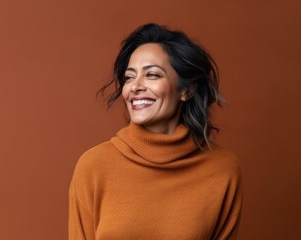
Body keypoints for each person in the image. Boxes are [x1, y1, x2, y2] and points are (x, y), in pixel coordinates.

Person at [69, 23, 242, 240]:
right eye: (129, 77)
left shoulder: (222, 169)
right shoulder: (94, 166)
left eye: (151, 75)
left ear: (186, 90)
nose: (135, 86)